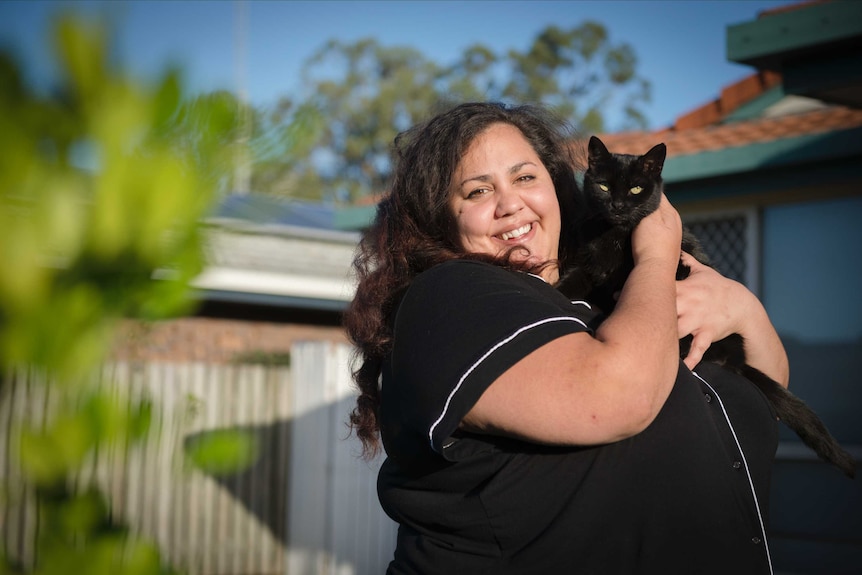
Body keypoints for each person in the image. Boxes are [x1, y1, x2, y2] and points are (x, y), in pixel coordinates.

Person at [344, 102, 789, 574]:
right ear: (440, 219)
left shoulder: (610, 304)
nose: (510, 202)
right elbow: (616, 396)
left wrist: (742, 306)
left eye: (525, 178)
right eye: (477, 191)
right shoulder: (450, 296)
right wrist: (657, 255)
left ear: (557, 188)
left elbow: (764, 396)